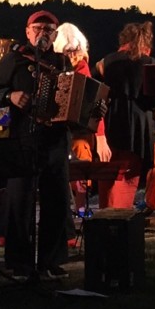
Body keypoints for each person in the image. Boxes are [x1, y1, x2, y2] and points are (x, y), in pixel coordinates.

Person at [0, 8, 75, 281]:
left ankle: (51, 259)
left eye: (48, 30)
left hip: (56, 139)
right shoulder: (14, 60)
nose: (43, 34)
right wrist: (10, 94)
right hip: (23, 136)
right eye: (38, 29)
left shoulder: (63, 62)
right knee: (19, 199)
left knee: (56, 198)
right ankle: (20, 261)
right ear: (28, 32)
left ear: (55, 35)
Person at [96, 21, 155, 209]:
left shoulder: (106, 61)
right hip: (137, 128)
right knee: (128, 177)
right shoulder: (150, 63)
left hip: (110, 123)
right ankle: (120, 222)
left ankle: (106, 218)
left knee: (108, 176)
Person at [54, 21, 109, 212]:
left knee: (81, 151)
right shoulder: (52, 65)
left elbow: (95, 102)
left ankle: (80, 207)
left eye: (76, 51)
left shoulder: (82, 67)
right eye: (68, 52)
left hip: (80, 130)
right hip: (56, 127)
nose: (73, 56)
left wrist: (101, 137)